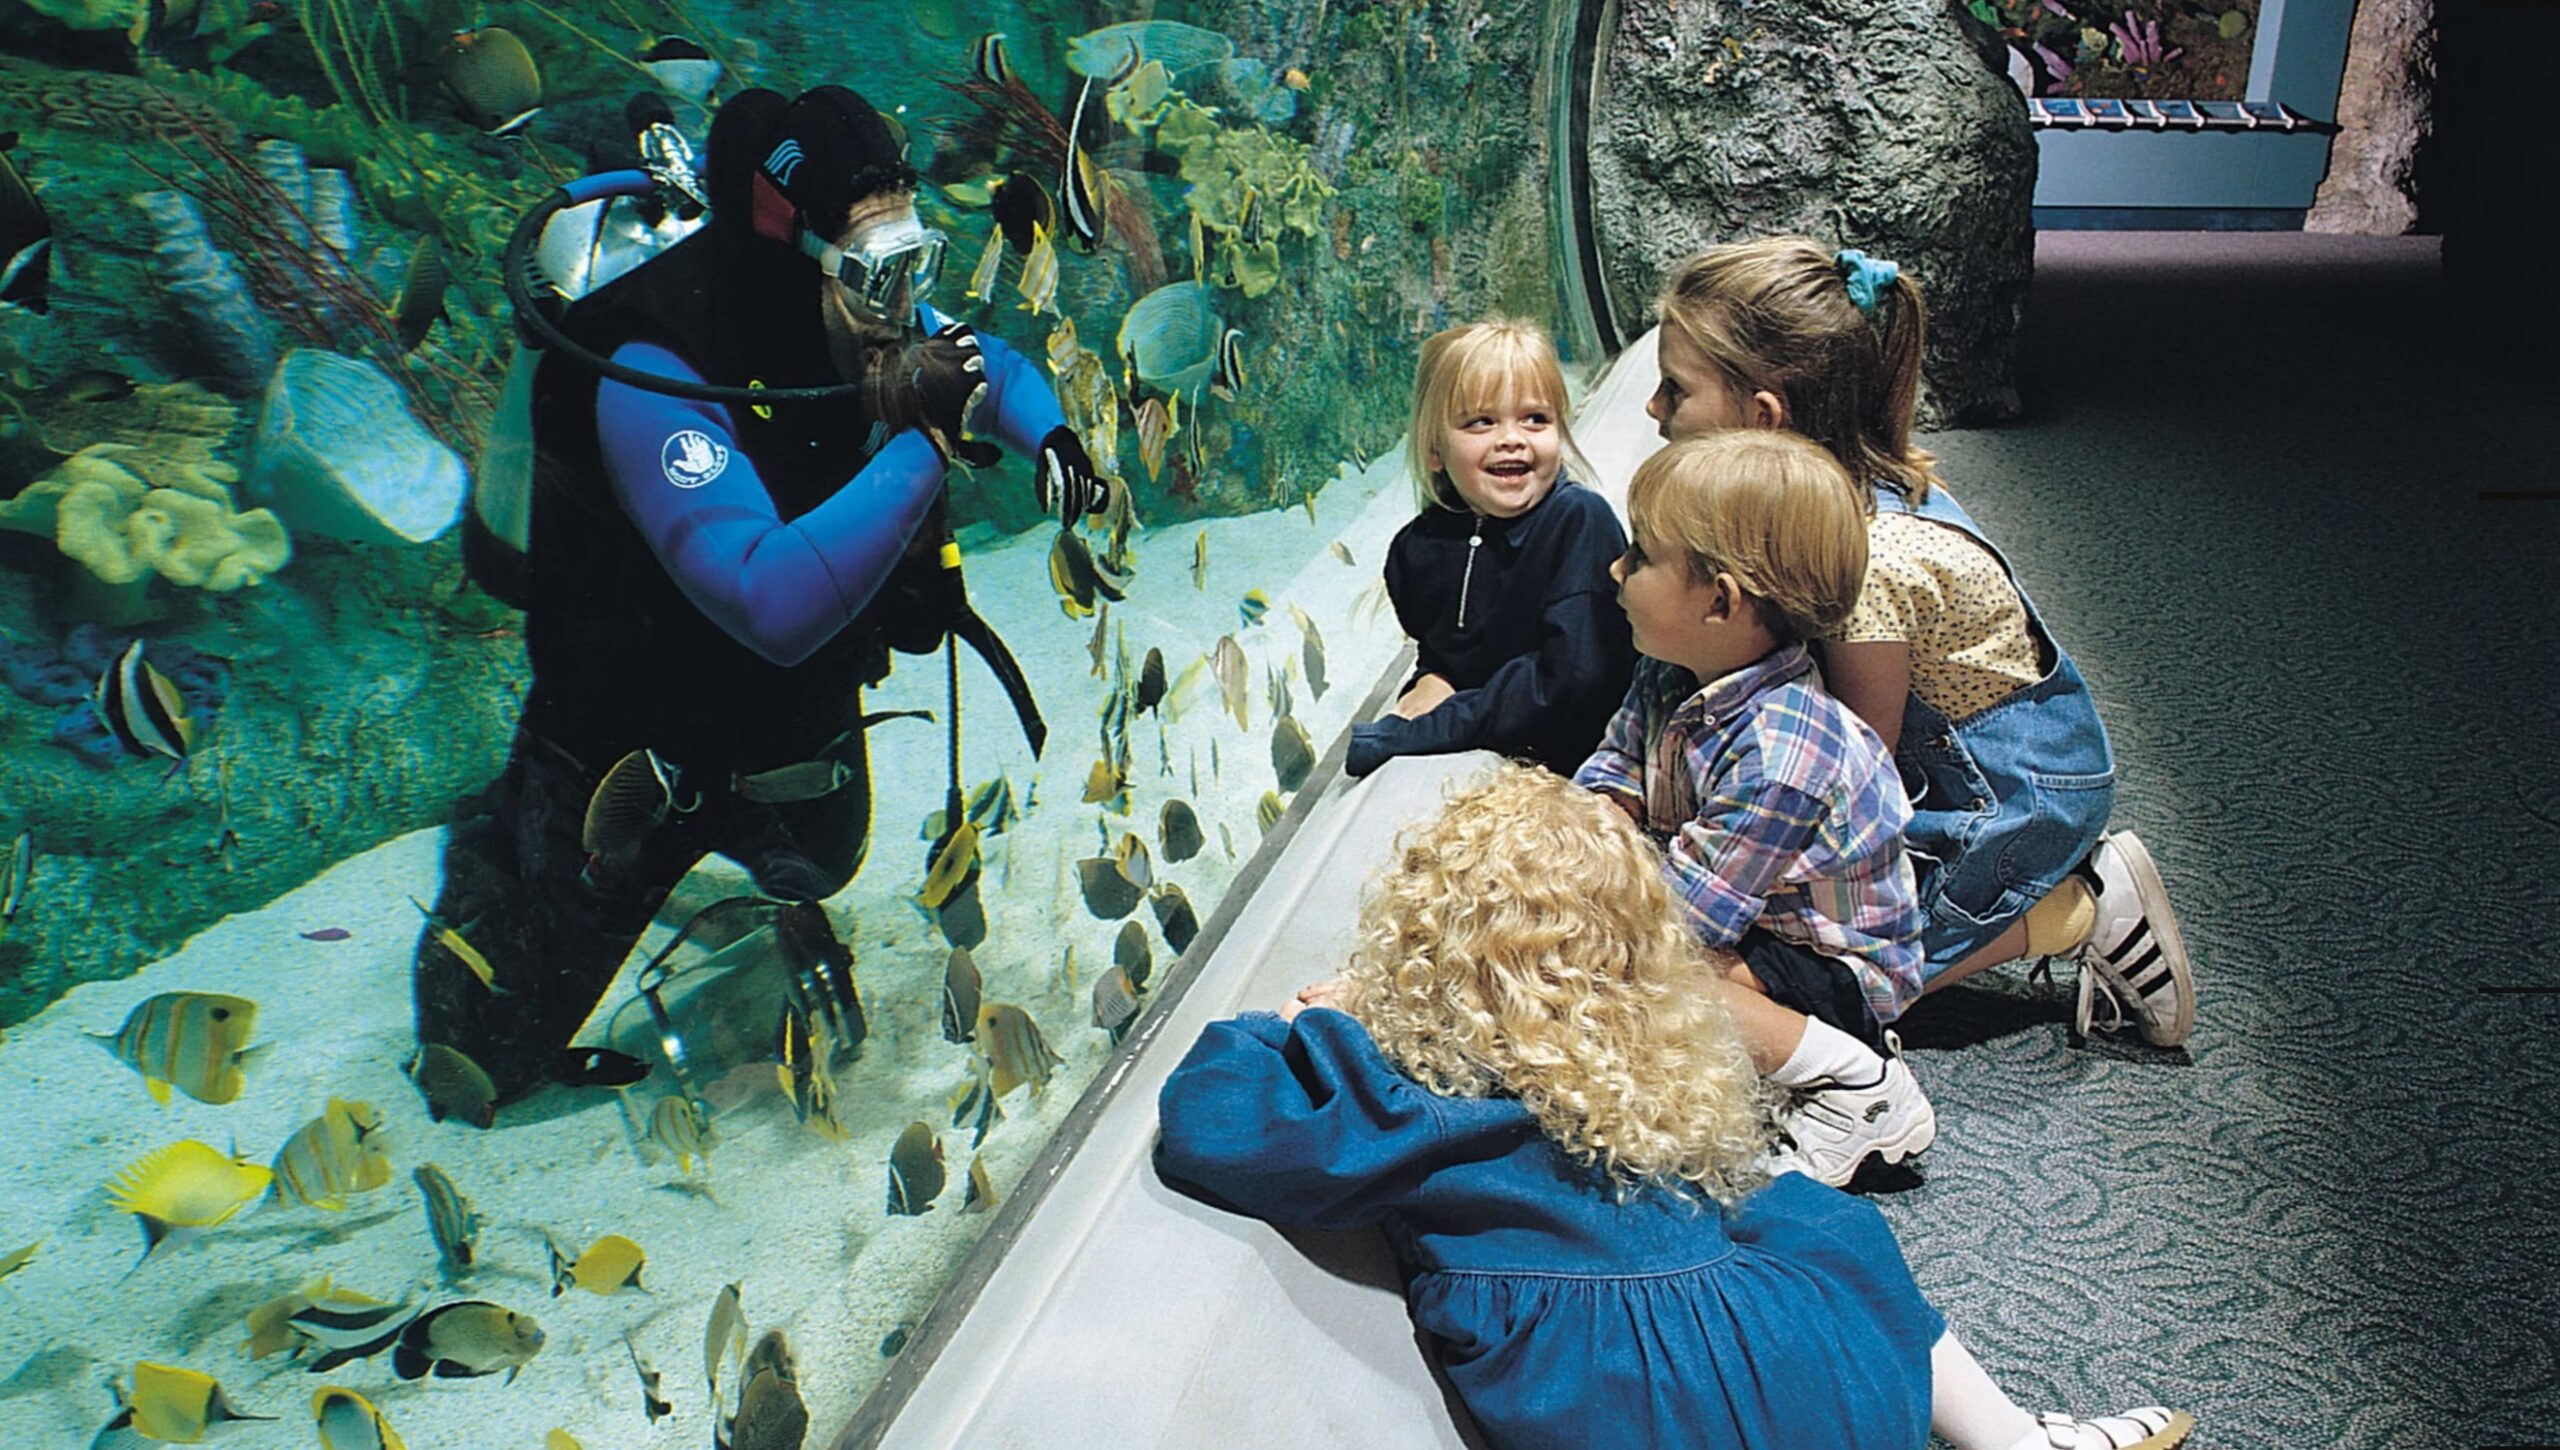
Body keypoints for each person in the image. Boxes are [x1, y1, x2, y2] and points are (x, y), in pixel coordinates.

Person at [1155, 764, 2196, 1450]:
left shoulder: (1415, 1097)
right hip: (1816, 1384)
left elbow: (1207, 1115)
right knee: (1815, 1219)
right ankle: (2009, 1437)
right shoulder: (1643, 1067)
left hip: (1628, 1407)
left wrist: (1309, 1024)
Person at [413, 84, 1107, 1108]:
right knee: (488, 1053)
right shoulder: (652, 369)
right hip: (624, 728)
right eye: (879, 275)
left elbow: (983, 365)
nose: (904, 303)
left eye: (917, 262)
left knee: (822, 857)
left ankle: (707, 835)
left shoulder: (861, 312)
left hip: (772, 707)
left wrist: (1049, 434)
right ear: (794, 261)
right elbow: (768, 602)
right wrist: (927, 439)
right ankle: (499, 837)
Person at [1649, 238, 2194, 1047]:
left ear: (1762, 416)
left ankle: (2078, 909)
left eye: (1674, 390)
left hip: (2007, 797)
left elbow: (1859, 766)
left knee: (1836, 992)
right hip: (1940, 766)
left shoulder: (1868, 563)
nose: (1655, 412)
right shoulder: (1815, 502)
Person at [1576, 431, 1933, 1187]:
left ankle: (1854, 1086)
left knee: (1640, 981)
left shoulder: (1782, 756)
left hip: (1830, 972)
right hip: (1747, 923)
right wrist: (1605, 810)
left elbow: (1686, 921)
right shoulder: (1667, 675)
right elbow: (1615, 765)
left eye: (1639, 555)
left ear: (1721, 600)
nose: (1615, 568)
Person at [1344, 319, 1634, 779]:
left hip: (1582, 767)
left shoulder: (1580, 521)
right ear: (1434, 450)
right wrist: (1435, 677)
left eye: (1535, 418)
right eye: (1481, 421)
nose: (1512, 438)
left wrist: (1417, 731)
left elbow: (1575, 682)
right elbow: (1447, 652)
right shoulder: (1417, 549)